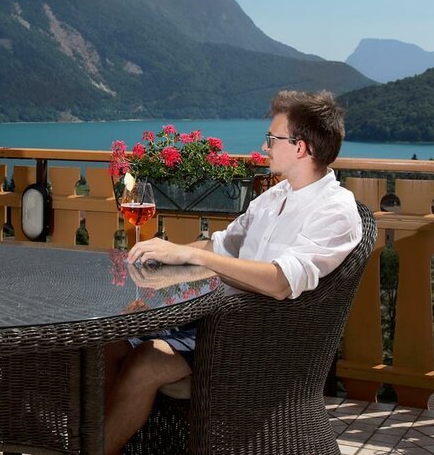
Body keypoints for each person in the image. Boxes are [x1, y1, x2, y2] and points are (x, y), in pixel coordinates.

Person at [103, 90, 363, 454]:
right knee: (106, 342)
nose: (265, 146)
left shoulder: (334, 210)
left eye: (272, 138)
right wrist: (164, 253)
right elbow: (219, 247)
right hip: (213, 323)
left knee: (147, 361)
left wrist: (193, 257)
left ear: (300, 148)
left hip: (257, 343)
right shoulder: (274, 197)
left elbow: (279, 281)